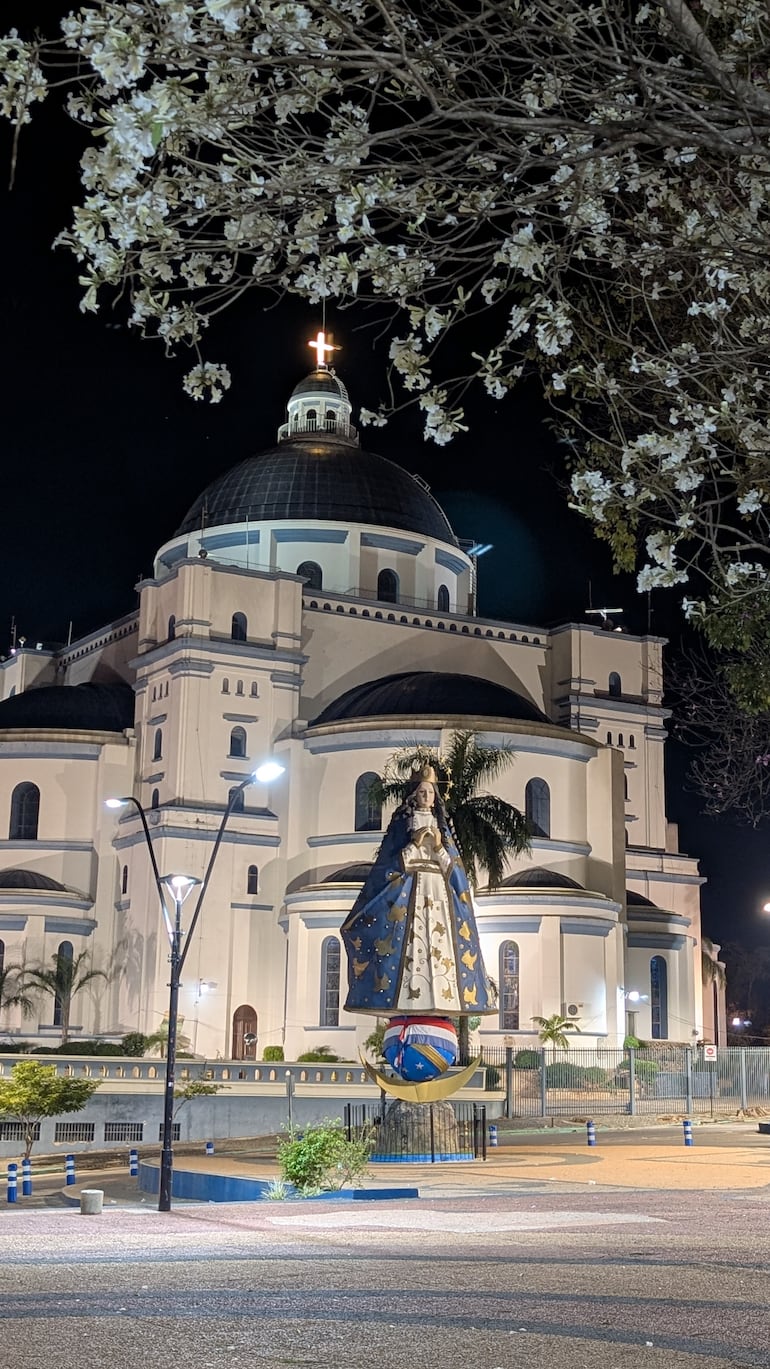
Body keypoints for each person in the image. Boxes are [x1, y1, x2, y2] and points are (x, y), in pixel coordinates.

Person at [341, 764, 497, 1020]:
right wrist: (414, 844)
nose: (427, 797)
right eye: (422, 792)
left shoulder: (442, 828)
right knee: (411, 944)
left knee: (438, 944)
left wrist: (437, 847)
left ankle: (440, 998)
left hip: (437, 893)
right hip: (409, 891)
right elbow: (388, 867)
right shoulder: (402, 826)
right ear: (414, 795)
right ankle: (407, 997)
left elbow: (455, 873)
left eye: (431, 793)